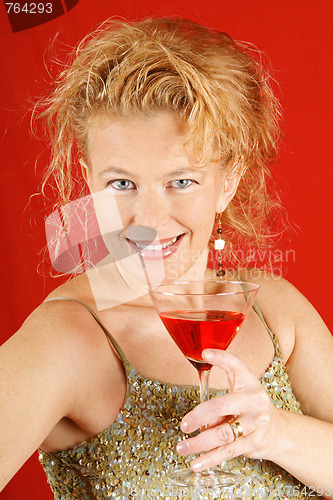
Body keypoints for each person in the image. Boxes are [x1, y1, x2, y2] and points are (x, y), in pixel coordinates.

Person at [1, 17, 332, 500]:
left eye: (181, 181)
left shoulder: (276, 310)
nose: (148, 219)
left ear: (230, 179)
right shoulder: (69, 337)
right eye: (121, 184)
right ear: (89, 177)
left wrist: (276, 432)